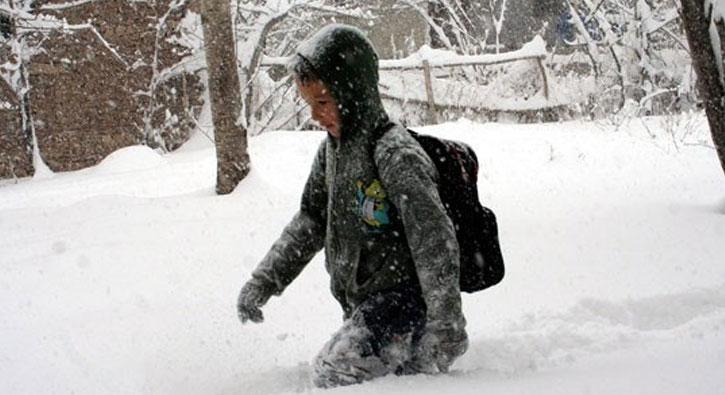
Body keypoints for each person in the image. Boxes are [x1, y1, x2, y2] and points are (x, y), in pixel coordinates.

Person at [236, 24, 468, 388]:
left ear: (353, 93)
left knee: (336, 371)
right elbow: (310, 220)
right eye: (309, 104)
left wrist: (445, 324)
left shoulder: (394, 153)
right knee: (351, 372)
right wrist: (265, 280)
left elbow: (434, 241)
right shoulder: (332, 152)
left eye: (323, 102)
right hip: (367, 306)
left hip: (406, 304)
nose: (315, 115)